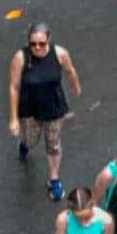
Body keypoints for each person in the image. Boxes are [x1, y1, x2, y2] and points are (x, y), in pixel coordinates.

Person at [8, 22, 83, 201]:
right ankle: (25, 144)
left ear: (48, 39)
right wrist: (13, 118)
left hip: (54, 107)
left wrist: (76, 87)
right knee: (31, 141)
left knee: (53, 144)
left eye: (42, 43)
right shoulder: (20, 57)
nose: (37, 48)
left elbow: (70, 71)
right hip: (30, 108)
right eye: (33, 44)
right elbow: (13, 87)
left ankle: (54, 179)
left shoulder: (60, 54)